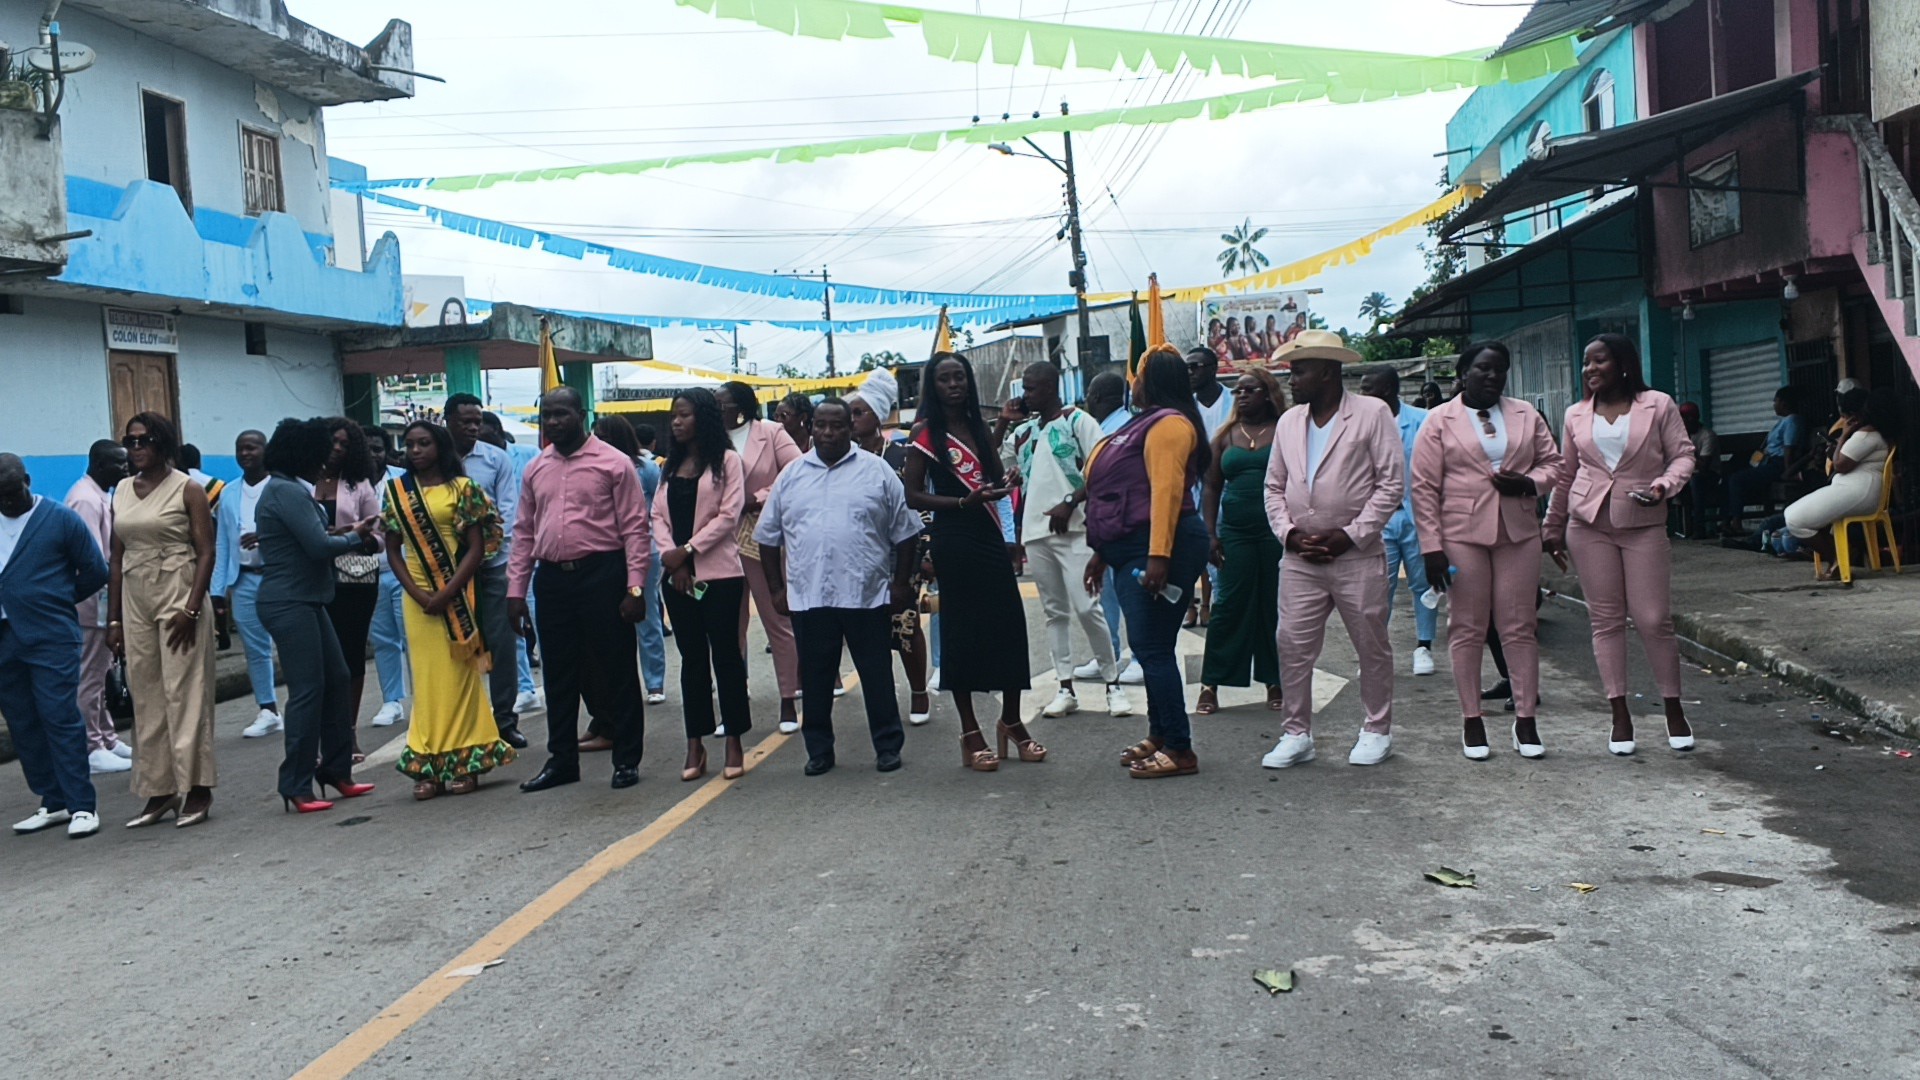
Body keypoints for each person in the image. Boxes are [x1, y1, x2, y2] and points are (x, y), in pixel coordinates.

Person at [1543, 333, 1698, 756]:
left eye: (1600, 361)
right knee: (1606, 620)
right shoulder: (1576, 414)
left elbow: (1683, 455)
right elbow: (1565, 473)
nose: (1590, 369)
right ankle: (1620, 715)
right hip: (1588, 525)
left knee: (1653, 619)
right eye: (1586, 362)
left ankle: (1673, 709)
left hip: (1643, 523)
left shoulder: (1657, 404)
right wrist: (1552, 526)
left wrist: (1664, 485)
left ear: (1623, 364)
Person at [1258, 331, 1405, 769]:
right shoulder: (1289, 422)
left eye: (1299, 371)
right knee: (1291, 643)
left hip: (1355, 554)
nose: (1291, 380)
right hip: (1300, 557)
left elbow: (1390, 484)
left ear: (1327, 371)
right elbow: (1273, 487)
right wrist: (1289, 534)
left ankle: (1377, 730)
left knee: (1370, 644)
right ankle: (1296, 733)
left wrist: (1352, 534)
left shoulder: (1372, 413)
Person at [1411, 340, 1563, 761]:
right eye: (1483, 368)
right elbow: (1423, 487)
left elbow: (1554, 464)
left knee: (1519, 626)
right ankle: (1472, 719)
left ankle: (1526, 720)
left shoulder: (1525, 414)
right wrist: (1430, 547)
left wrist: (1529, 483)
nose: (1493, 376)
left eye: (1500, 369)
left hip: (1519, 532)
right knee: (1467, 627)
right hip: (1461, 534)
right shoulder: (1439, 420)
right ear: (1463, 373)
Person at [758, 398, 924, 775]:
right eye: (821, 425)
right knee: (816, 679)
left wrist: (900, 584)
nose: (828, 433)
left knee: (876, 674)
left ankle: (887, 746)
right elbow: (767, 537)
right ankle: (819, 750)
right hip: (810, 595)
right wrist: (776, 590)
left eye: (837, 426)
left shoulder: (877, 472)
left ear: (851, 429)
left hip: (867, 594)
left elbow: (906, 532)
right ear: (810, 427)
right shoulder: (792, 475)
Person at [509, 387, 651, 793]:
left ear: (581, 414)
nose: (553, 422)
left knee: (616, 669)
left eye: (561, 414)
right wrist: (516, 592)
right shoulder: (536, 468)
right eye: (547, 415)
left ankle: (626, 759)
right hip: (552, 580)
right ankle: (562, 761)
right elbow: (523, 532)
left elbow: (635, 529)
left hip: (602, 575)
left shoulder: (614, 463)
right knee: (559, 673)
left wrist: (635, 588)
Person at [1075, 346, 1209, 778]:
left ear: (1152, 381)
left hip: (1160, 547)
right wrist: (1102, 554)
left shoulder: (1169, 424)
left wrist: (1158, 557)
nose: (1131, 384)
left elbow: (1166, 493)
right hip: (1131, 549)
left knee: (1152, 649)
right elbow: (1124, 495)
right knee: (1153, 648)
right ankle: (1161, 734)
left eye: (1138, 375)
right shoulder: (1142, 423)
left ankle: (1180, 749)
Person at [903, 352, 1039, 772]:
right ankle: (970, 732)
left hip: (989, 535)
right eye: (944, 379)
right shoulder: (925, 432)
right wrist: (964, 501)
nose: (953, 385)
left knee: (1009, 626)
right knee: (961, 631)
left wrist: (1007, 481)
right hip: (954, 537)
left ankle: (1011, 720)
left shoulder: (978, 425)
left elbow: (993, 478)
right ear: (933, 386)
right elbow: (913, 495)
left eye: (959, 377)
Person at [253, 419, 381, 813]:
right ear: (304, 455)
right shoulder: (286, 491)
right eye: (321, 455)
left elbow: (315, 536)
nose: (326, 463)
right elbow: (317, 546)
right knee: (308, 691)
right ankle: (296, 783)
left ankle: (336, 770)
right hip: (289, 602)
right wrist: (357, 536)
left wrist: (348, 531)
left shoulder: (288, 489)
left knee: (338, 678)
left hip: (307, 599)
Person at [384, 421, 515, 799]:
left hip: (456, 596)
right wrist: (418, 593)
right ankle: (428, 762)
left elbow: (476, 547)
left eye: (424, 443)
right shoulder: (396, 492)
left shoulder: (464, 488)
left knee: (459, 678)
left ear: (440, 446)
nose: (415, 450)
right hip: (417, 601)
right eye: (410, 444)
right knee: (426, 681)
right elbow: (393, 549)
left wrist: (447, 592)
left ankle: (466, 759)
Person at [996, 362, 1130, 719]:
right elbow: (993, 464)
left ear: (1051, 388)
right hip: (1035, 533)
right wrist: (1003, 422)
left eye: (1032, 388)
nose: (1026, 395)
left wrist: (1070, 501)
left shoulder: (1077, 421)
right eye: (1024, 389)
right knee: (1054, 613)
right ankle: (1065, 687)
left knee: (1087, 607)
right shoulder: (1024, 432)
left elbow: (1103, 468)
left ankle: (1112, 684)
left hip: (1075, 530)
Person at [109, 412, 218, 829]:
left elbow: (206, 552)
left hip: (179, 589)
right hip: (135, 596)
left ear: (164, 443)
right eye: (130, 441)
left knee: (185, 691)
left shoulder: (188, 488)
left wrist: (192, 609)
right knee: (146, 693)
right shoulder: (121, 490)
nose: (136, 448)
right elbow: (115, 559)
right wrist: (113, 621)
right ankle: (160, 788)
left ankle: (198, 787)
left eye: (145, 440)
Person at [1, 454, 111, 838]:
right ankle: (53, 800)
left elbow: (95, 570)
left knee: (59, 716)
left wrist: (59, 599)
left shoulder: (60, 519)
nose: (8, 501)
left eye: (13, 492)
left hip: (51, 635)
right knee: (23, 723)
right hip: (5, 639)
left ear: (27, 481)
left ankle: (82, 805)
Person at [654, 388, 750, 781]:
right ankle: (695, 742)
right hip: (677, 579)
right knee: (692, 661)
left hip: (720, 575)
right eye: (673, 416)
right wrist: (671, 557)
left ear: (704, 418)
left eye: (684, 415)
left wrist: (688, 551)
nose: (676, 422)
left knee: (726, 657)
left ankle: (734, 740)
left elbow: (729, 516)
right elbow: (656, 516)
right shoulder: (669, 465)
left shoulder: (727, 461)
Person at [716, 381, 804, 733]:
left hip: (762, 536)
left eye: (721, 404)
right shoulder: (711, 439)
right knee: (727, 628)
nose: (716, 409)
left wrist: (759, 497)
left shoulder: (770, 432)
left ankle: (788, 700)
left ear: (739, 407)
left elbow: (796, 471)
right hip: (721, 540)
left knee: (777, 620)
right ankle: (733, 705)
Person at [1197, 368, 1286, 715]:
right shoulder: (1225, 435)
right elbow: (1211, 487)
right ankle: (1210, 684)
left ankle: (1274, 680)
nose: (1242, 395)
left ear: (1268, 393)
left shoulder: (1285, 430)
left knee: (1272, 605)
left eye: (1251, 389)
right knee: (1228, 605)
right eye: (1238, 391)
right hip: (1234, 532)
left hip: (1276, 530)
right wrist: (1210, 534)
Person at [848, 368, 933, 725]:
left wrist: (927, 552)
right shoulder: (845, 460)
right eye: (851, 412)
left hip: (904, 553)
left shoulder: (902, 455)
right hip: (861, 555)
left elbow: (921, 506)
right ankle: (882, 694)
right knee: (869, 631)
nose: (852, 419)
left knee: (905, 622)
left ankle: (919, 691)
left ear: (878, 416)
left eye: (859, 412)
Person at [444, 394, 528, 750]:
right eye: (465, 421)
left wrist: (482, 552)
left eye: (477, 421)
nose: (473, 427)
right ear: (448, 421)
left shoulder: (496, 459)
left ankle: (505, 720)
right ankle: (464, 722)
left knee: (501, 642)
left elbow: (508, 511)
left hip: (492, 566)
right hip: (446, 569)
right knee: (457, 645)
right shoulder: (435, 458)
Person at [1358, 367, 1437, 677]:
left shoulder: (1422, 420)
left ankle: (1424, 647)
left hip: (1418, 515)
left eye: (1368, 388)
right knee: (1378, 588)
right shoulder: (1359, 425)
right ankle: (1374, 652)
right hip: (1380, 518)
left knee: (1423, 584)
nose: (1362, 395)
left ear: (1387, 391)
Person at [588, 416, 667, 723]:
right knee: (610, 620)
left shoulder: (645, 468)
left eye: (604, 436)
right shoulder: (593, 466)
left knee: (647, 616)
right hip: (607, 551)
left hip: (644, 550)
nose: (599, 440)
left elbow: (659, 508)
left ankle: (655, 682)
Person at [314, 418, 384, 760]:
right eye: (332, 441)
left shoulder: (359, 485)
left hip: (353, 580)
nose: (337, 448)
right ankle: (319, 735)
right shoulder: (300, 481)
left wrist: (350, 536)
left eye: (344, 443)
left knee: (350, 656)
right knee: (316, 660)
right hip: (310, 578)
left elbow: (380, 534)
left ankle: (348, 733)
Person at [63, 439, 133, 772]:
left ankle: (107, 737)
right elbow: (92, 559)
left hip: (105, 599)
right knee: (90, 675)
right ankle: (91, 746)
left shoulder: (102, 495)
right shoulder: (84, 500)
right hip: (94, 603)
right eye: (120, 463)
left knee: (104, 671)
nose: (126, 468)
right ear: (100, 464)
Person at [208, 430, 283, 739]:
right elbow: (223, 543)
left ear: (266, 450)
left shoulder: (281, 487)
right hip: (244, 580)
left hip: (279, 577)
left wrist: (266, 537)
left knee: (290, 644)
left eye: (252, 448)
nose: (245, 454)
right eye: (240, 449)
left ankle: (305, 705)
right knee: (255, 649)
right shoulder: (229, 493)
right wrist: (217, 589)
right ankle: (268, 709)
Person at [1783, 386, 1899, 577]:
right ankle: (1842, 555)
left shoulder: (1865, 435)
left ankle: (1837, 558)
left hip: (1858, 491)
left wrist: (1844, 434)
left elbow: (1840, 465)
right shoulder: (1878, 434)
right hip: (1862, 491)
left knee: (1794, 519)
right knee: (1801, 516)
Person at [1080, 370, 1141, 684]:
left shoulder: (1122, 430)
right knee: (1105, 594)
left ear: (1098, 398)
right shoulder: (1101, 429)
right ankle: (1109, 654)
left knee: (1130, 595)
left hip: (1123, 524)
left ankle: (1139, 658)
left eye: (1090, 396)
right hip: (1104, 524)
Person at [362, 425, 409, 729]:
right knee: (383, 640)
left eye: (377, 449)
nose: (372, 455)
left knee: (412, 637)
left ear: (386, 451)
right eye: (366, 449)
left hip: (404, 571)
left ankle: (425, 699)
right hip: (369, 573)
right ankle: (392, 701)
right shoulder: (350, 484)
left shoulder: (402, 480)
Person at [1186, 347, 1233, 628]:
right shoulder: (1185, 408)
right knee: (1196, 551)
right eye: (1186, 367)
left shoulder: (1234, 402)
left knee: (1226, 558)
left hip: (1229, 490)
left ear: (1213, 369)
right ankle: (1195, 606)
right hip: (1196, 490)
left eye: (1195, 366)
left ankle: (1218, 608)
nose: (1190, 372)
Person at [1723, 387, 1807, 534]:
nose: (1774, 405)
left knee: (1737, 479)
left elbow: (1789, 448)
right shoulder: (1784, 421)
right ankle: (1726, 521)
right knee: (1730, 472)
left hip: (1778, 464)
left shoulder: (1792, 421)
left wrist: (1788, 471)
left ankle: (1736, 522)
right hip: (1767, 461)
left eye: (1776, 401)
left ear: (1784, 403)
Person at [1678, 402, 1720, 538]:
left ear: (1691, 419)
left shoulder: (1707, 435)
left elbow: (1703, 466)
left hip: (1709, 475)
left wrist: (1687, 449)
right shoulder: (1681, 435)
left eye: (1683, 420)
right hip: (1688, 474)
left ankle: (1698, 527)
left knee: (1696, 482)